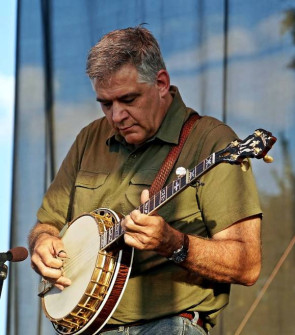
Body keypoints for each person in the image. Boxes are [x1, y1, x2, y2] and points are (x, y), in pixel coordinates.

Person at [28, 26, 262, 335]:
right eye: (106, 103)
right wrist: (42, 242)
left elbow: (248, 265)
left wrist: (175, 244)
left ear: (161, 83)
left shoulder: (211, 142)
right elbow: (47, 222)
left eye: (128, 99)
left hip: (168, 324)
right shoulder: (89, 139)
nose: (116, 116)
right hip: (85, 327)